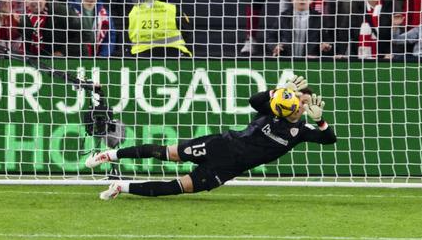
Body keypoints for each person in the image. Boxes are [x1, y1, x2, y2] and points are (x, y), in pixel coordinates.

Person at [85, 76, 337, 199]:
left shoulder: (301, 131)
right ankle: (109, 155)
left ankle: (121, 187)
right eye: (299, 99)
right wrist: (281, 90)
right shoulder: (272, 111)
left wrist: (320, 121)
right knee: (167, 153)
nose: (301, 104)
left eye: (306, 103)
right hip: (221, 145)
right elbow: (254, 100)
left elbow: (329, 139)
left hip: (228, 169)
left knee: (180, 186)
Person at [127, 0, 191, 57]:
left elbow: (129, 36)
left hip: (140, 57)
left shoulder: (133, 11)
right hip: (174, 56)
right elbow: (187, 34)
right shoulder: (173, 9)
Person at [267, 0, 333, 58]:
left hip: (310, 60)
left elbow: (327, 39)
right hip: (286, 59)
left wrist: (326, 45)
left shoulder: (319, 19)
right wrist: (274, 46)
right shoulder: (283, 17)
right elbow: (271, 37)